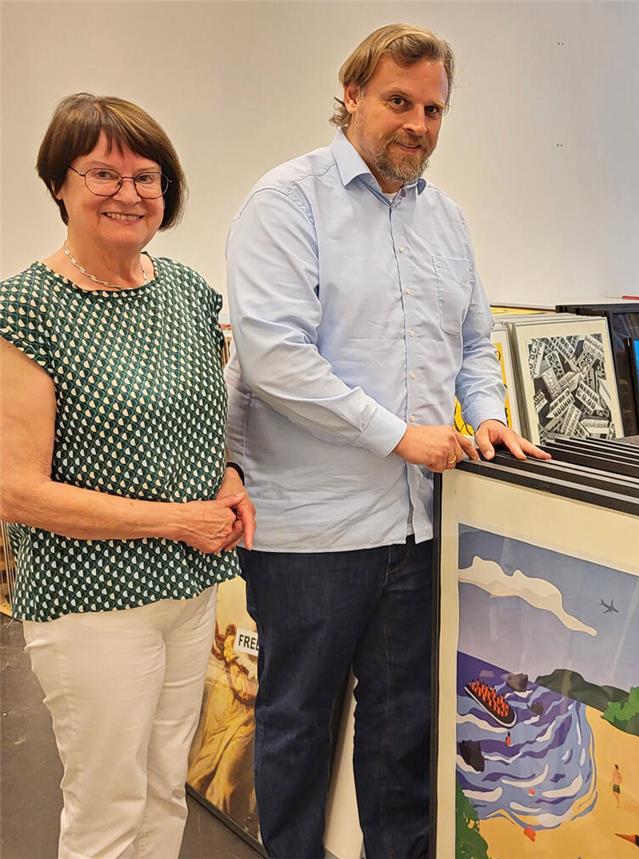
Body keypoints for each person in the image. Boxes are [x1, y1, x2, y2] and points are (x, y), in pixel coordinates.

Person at [224, 23, 547, 858]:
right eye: (399, 101)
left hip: (416, 529)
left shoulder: (448, 220)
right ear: (352, 96)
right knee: (296, 724)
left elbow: (475, 341)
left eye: (434, 108)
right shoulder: (286, 202)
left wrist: (486, 414)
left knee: (403, 732)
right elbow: (274, 358)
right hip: (311, 530)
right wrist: (398, 434)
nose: (418, 123)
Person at [0, 93, 254, 859]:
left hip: (187, 589)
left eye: (148, 177)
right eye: (104, 174)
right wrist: (176, 518)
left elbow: (206, 417)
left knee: (162, 791)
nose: (130, 193)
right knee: (106, 808)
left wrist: (232, 473)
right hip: (91, 602)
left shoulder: (184, 291)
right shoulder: (27, 308)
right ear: (59, 184)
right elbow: (18, 488)